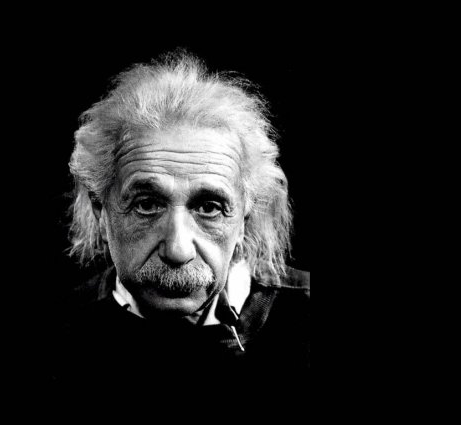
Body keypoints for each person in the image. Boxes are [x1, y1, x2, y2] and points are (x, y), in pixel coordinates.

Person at [52, 51, 309, 390]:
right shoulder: (60, 328)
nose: (178, 250)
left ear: (245, 217)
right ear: (101, 210)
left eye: (209, 207)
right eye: (146, 205)